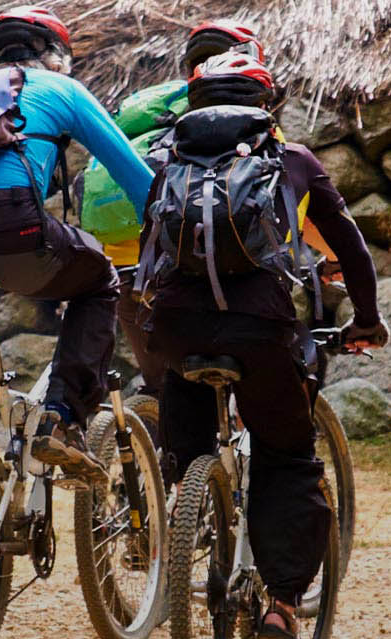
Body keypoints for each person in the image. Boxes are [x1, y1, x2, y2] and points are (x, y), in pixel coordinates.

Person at [136, 54, 388, 639]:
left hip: (178, 323)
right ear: (266, 105)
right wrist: (367, 319)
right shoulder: (292, 159)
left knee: (185, 411)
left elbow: (152, 252)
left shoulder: (165, 161)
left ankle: (192, 502)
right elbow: (349, 244)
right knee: (288, 458)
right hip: (259, 325)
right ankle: (280, 606)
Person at [0, 5, 154, 491]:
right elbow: (139, 182)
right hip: (12, 230)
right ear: (57, 56)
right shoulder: (63, 90)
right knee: (100, 279)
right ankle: (60, 416)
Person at [110, 21, 271, 396]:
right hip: (196, 272)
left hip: (128, 263)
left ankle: (155, 447)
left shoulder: (153, 115)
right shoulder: (253, 128)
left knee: (165, 387)